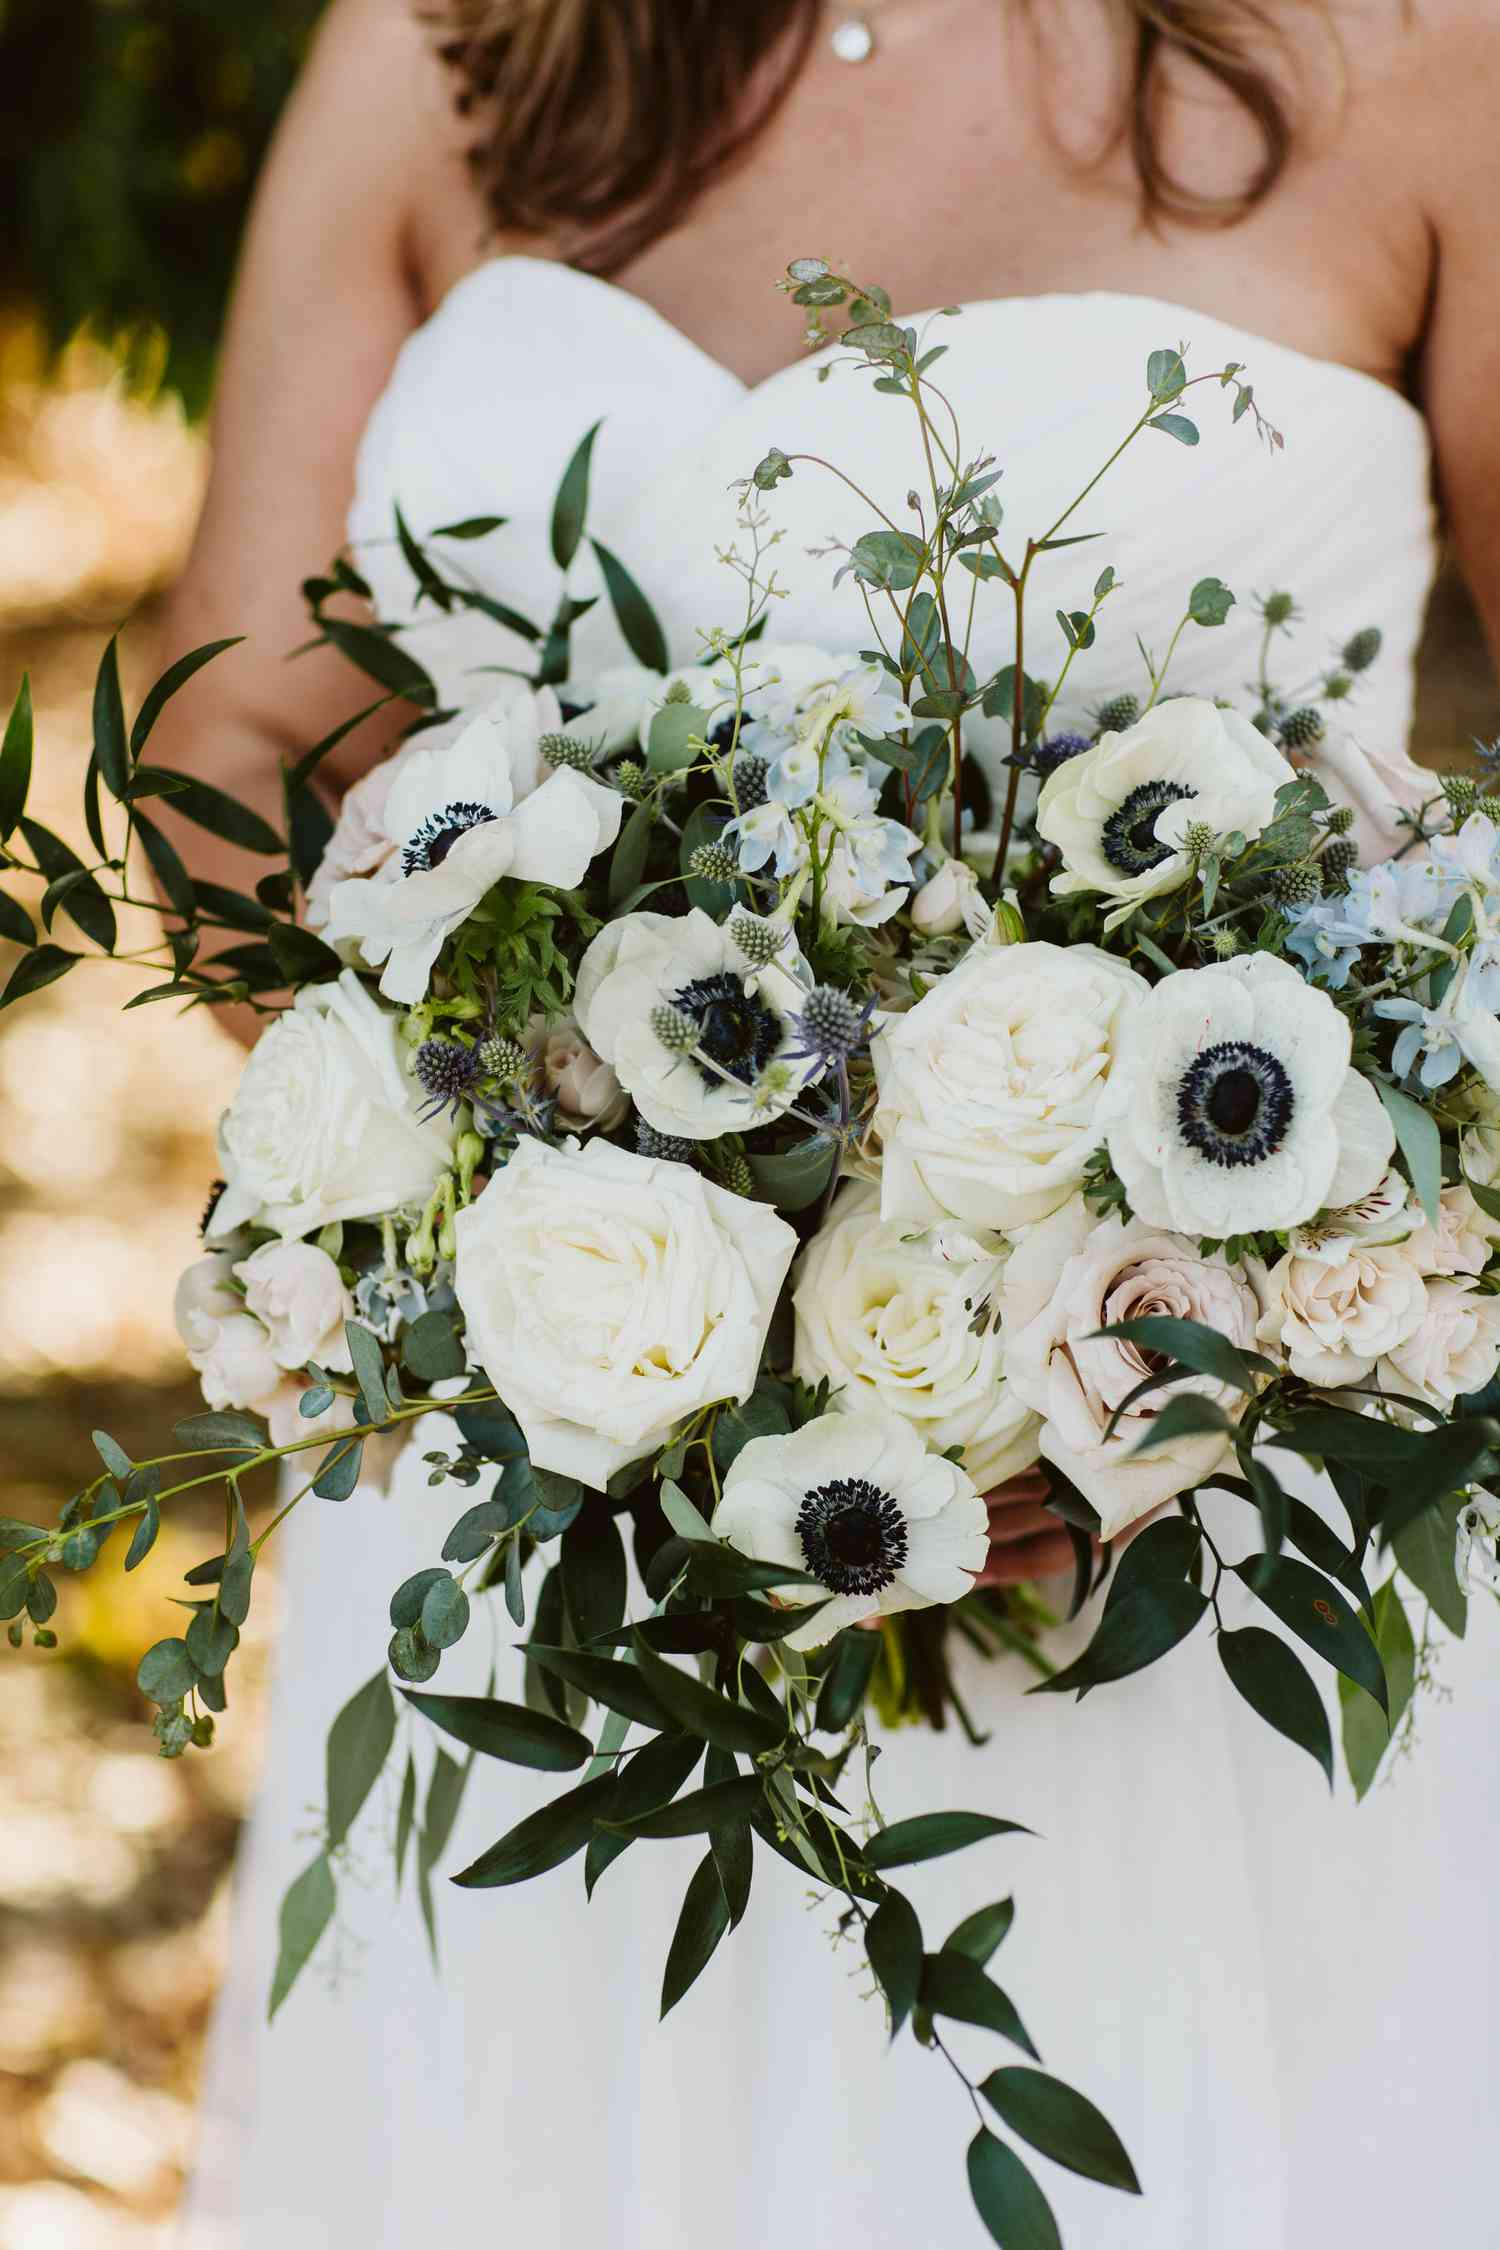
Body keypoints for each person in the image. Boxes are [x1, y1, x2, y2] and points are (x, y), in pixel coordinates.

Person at [162, 4, 1500, 2243]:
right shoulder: (452, 36)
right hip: (566, 1568)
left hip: (1216, 1554)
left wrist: (1214, 1316)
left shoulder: (1432, 45)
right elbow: (232, 738)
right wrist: (482, 1230)